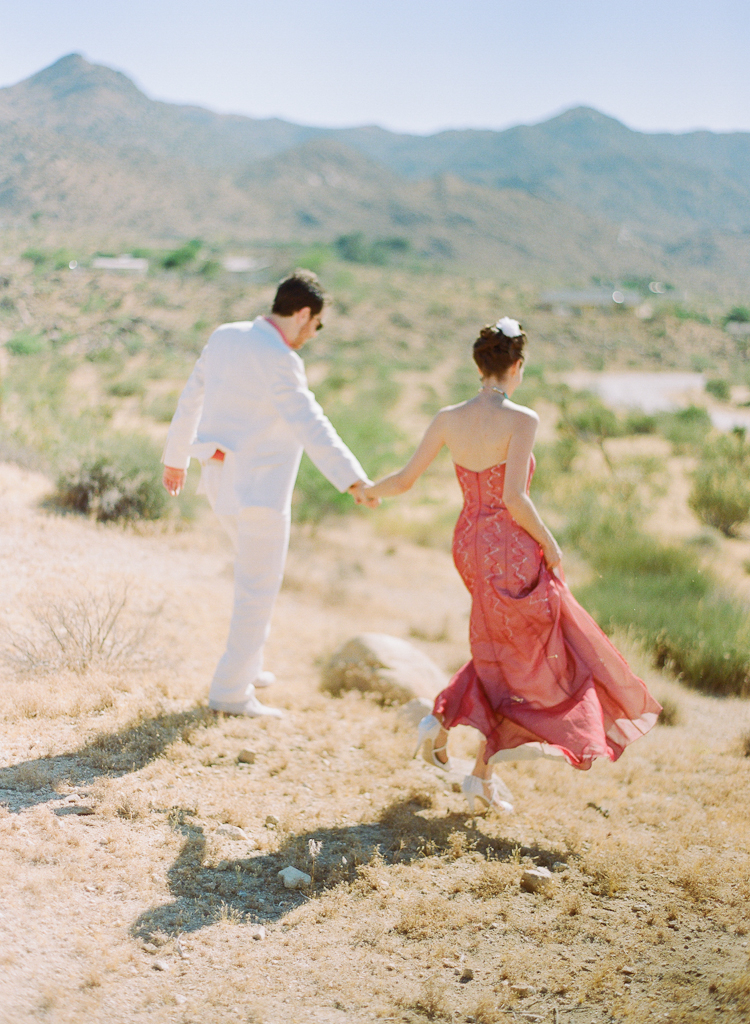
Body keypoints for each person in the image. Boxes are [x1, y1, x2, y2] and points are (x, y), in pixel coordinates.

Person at [363, 317, 661, 814]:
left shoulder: (448, 417)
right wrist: (551, 544)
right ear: (517, 366)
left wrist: (368, 490)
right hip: (512, 548)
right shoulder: (523, 419)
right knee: (526, 654)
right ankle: (461, 747)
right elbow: (515, 498)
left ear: (479, 364)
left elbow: (405, 479)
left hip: (469, 545)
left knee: (502, 646)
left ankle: (458, 744)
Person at [162, 270, 376, 718]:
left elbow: (191, 396)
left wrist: (175, 457)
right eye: (317, 325)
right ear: (302, 314)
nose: (313, 334)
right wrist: (353, 480)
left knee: (251, 576)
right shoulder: (281, 358)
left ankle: (250, 667)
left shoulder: (225, 335)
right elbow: (312, 425)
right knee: (257, 588)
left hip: (217, 480)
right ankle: (230, 691)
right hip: (259, 492)